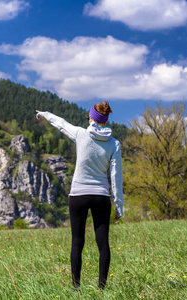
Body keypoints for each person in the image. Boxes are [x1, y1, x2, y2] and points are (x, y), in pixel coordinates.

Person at [36, 101, 123, 289]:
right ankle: (102, 289)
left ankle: (76, 288)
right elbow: (116, 176)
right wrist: (119, 205)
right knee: (103, 244)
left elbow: (61, 123)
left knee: (77, 242)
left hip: (79, 195)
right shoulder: (114, 144)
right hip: (101, 196)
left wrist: (44, 113)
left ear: (91, 118)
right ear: (105, 120)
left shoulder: (81, 134)